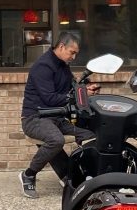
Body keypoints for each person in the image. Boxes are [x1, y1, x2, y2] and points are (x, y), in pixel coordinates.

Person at [19, 31, 96, 198]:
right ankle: (29, 175)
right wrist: (77, 96)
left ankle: (72, 175)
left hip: (57, 118)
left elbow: (71, 88)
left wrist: (85, 90)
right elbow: (50, 98)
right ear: (61, 47)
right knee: (56, 140)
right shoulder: (43, 66)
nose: (74, 57)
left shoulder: (63, 65)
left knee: (90, 134)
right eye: (72, 52)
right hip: (34, 118)